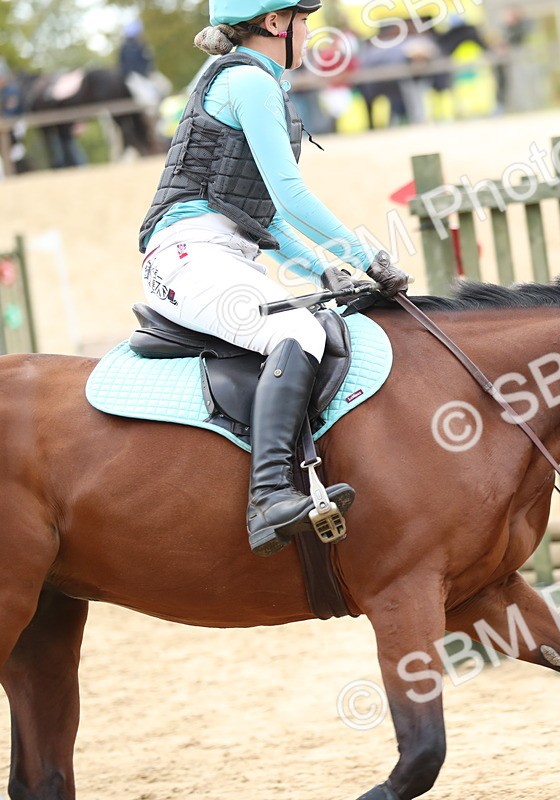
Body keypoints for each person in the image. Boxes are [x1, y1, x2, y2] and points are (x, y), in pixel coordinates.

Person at [137, 0, 411, 556]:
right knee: (297, 332)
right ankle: (268, 497)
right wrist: (368, 257)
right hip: (189, 255)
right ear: (274, 23)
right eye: (303, 19)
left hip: (220, 252)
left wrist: (324, 267)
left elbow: (260, 213)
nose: (309, 31)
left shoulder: (251, 80)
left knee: (321, 320)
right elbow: (290, 195)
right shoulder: (250, 82)